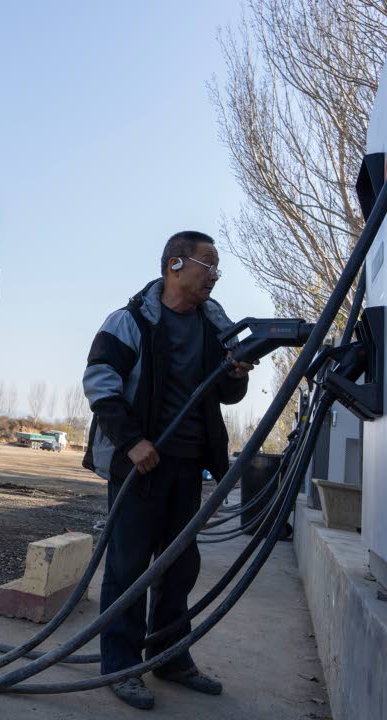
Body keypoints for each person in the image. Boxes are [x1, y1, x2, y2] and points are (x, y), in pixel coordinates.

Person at [82, 230, 252, 711]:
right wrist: (132, 441)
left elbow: (227, 395)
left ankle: (169, 657)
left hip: (188, 464)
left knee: (180, 566)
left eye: (218, 268)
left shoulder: (214, 327)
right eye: (208, 264)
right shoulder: (132, 320)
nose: (214, 276)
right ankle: (120, 665)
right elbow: (100, 382)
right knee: (129, 566)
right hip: (141, 465)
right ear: (175, 265)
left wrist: (235, 377)